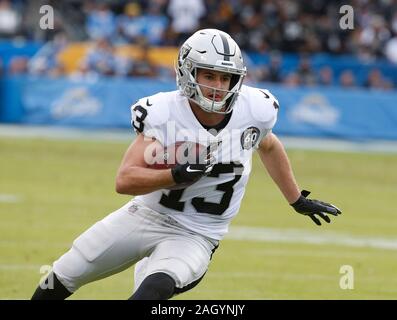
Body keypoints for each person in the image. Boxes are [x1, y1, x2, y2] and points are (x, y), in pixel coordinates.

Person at [31, 29, 341, 300]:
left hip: (197, 235)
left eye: (225, 77)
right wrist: (174, 174)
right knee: (62, 275)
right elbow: (124, 180)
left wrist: (296, 199)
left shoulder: (255, 110)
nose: (218, 85)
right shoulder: (164, 112)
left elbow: (269, 146)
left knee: (154, 289)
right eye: (209, 75)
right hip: (147, 215)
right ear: (188, 73)